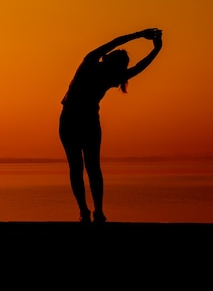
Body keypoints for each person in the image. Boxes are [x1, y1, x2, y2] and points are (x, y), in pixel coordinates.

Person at [59, 28, 163, 223]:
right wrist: (156, 49)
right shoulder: (109, 76)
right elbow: (138, 67)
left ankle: (87, 211)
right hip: (84, 122)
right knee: (91, 167)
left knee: (79, 168)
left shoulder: (90, 63)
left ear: (108, 60)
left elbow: (116, 43)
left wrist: (140, 35)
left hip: (72, 120)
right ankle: (94, 211)